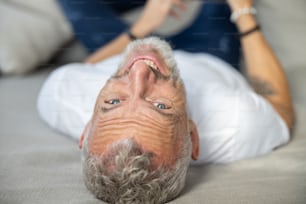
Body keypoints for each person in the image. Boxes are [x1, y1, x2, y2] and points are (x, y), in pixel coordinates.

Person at [38, 0, 295, 203]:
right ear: (193, 137)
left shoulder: (61, 97)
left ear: (85, 131)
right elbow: (279, 104)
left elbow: (82, 74)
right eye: (161, 106)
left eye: (114, 102)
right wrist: (244, 12)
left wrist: (142, 26)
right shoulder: (235, 125)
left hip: (126, 51)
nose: (140, 74)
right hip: (210, 52)